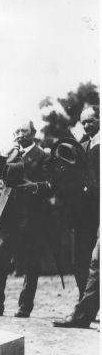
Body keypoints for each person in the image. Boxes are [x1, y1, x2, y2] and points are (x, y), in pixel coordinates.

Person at [0, 120, 48, 318]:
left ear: (33, 132)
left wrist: (35, 186)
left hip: (32, 215)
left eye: (24, 130)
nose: (20, 134)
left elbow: (50, 184)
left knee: (31, 263)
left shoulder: (43, 155)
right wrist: (3, 153)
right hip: (8, 215)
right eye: (16, 131)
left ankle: (25, 306)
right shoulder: (11, 154)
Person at [72, 105, 99, 300]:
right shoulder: (81, 147)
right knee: (81, 257)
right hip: (86, 211)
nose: (87, 125)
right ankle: (85, 301)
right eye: (84, 122)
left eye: (91, 120)